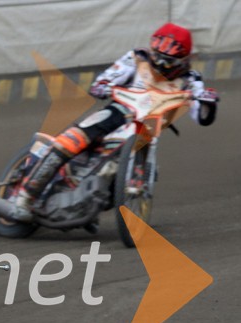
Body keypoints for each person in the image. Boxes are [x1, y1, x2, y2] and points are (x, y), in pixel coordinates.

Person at [12, 22, 220, 222]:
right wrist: (103, 85)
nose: (160, 63)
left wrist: (208, 103)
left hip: (149, 125)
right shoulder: (138, 57)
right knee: (75, 138)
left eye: (168, 60)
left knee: (133, 165)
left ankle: (96, 200)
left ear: (183, 59)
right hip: (119, 112)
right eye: (157, 56)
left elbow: (201, 117)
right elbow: (106, 78)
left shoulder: (191, 78)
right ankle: (25, 197)